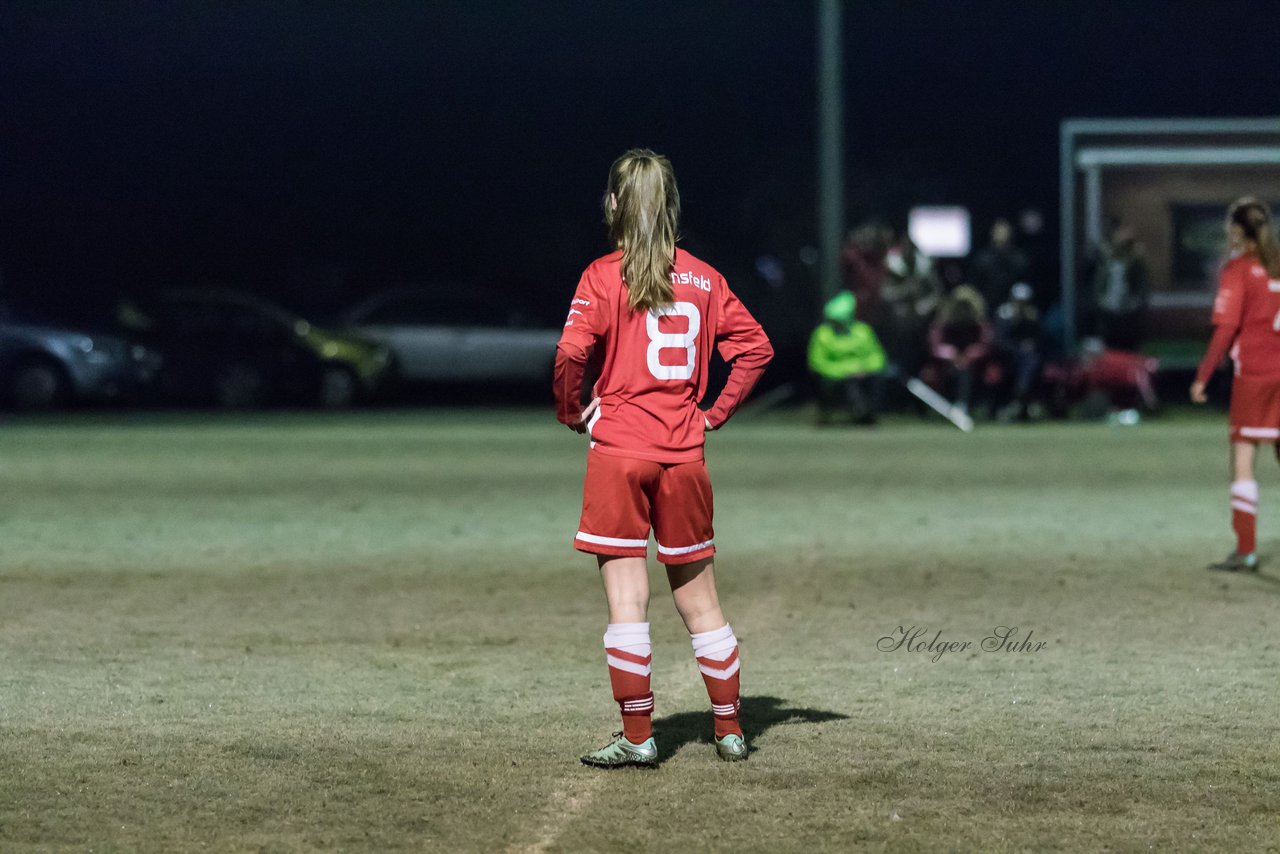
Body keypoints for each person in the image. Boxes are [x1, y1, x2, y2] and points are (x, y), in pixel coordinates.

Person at [554, 149, 773, 767]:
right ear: (673, 206)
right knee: (701, 602)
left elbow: (570, 355)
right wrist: (713, 413)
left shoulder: (602, 275)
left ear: (615, 204)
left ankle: (638, 734)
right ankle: (730, 729)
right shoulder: (707, 278)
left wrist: (573, 413)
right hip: (684, 457)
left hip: (619, 453)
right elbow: (756, 349)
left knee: (628, 602)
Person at [1190, 197, 1280, 572]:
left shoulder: (1238, 270)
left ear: (1237, 230)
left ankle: (1246, 550)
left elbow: (1226, 328)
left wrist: (1203, 376)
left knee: (1244, 462)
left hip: (1256, 375)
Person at [808, 290, 886, 425]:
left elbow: (877, 357)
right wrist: (847, 371)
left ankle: (870, 412)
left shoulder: (863, 331)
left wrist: (865, 370)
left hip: (864, 375)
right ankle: (860, 412)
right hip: (835, 379)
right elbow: (817, 362)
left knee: (878, 379)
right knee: (851, 384)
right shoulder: (822, 334)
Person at [924, 285, 997, 416]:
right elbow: (935, 346)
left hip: (975, 365)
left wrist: (968, 355)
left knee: (966, 370)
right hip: (946, 364)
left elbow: (985, 345)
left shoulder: (979, 324)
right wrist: (952, 354)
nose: (963, 308)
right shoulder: (943, 323)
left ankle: (963, 404)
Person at [1091, 220, 1150, 350]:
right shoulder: (1104, 255)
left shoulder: (1135, 257)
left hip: (1128, 310)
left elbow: (1141, 283)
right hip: (1107, 308)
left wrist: (1136, 301)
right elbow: (1094, 279)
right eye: (1121, 232)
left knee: (1128, 344)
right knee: (1109, 346)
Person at [972, 219, 1030, 311]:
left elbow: (1024, 286)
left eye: (1004, 231)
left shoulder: (1020, 259)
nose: (1001, 234)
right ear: (992, 234)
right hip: (987, 307)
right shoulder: (982, 260)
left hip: (1015, 309)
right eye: (998, 231)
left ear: (1010, 234)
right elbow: (976, 287)